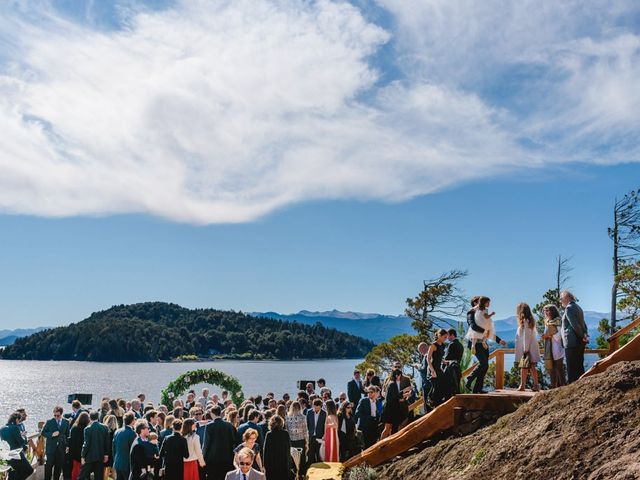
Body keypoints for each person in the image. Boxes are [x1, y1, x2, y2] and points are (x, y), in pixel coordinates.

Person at [465, 296, 506, 393]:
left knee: (485, 366)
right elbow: (473, 326)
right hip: (475, 343)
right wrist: (485, 331)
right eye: (477, 302)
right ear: (475, 303)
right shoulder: (471, 313)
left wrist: (498, 340)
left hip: (483, 343)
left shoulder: (484, 313)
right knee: (483, 363)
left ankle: (477, 389)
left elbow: (489, 329)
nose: (479, 303)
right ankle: (469, 379)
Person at [560, 290, 588, 383]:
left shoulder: (569, 308)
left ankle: (571, 389)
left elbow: (575, 325)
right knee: (579, 366)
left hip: (572, 342)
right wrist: (585, 335)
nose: (560, 301)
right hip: (579, 342)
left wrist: (582, 336)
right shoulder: (578, 307)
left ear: (567, 298)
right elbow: (583, 324)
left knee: (571, 368)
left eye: (561, 298)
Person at [202, 406, 236, 480]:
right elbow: (233, 442)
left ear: (212, 413)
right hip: (227, 459)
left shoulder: (209, 426)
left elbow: (206, 444)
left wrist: (203, 457)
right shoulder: (229, 425)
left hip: (212, 460)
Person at [515, 303, 541, 391]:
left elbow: (527, 335)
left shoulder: (526, 321)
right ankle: (535, 385)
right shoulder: (528, 321)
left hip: (527, 348)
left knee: (524, 367)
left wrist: (526, 350)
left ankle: (523, 386)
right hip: (529, 347)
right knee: (531, 367)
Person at [0, 412, 34, 480]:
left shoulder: (2, 428)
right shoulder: (15, 428)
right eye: (19, 420)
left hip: (7, 456)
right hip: (17, 455)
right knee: (29, 470)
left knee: (12, 474)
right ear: (16, 420)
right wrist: (24, 436)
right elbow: (22, 442)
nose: (19, 422)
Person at [78, 411, 110, 480]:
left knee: (82, 476)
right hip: (100, 456)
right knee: (99, 476)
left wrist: (83, 456)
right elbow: (107, 442)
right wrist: (106, 455)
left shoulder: (87, 429)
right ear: (98, 417)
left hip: (89, 457)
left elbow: (86, 444)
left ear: (89, 418)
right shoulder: (105, 427)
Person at [42, 406, 70, 480]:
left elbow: (68, 435)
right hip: (51, 448)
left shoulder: (66, 422)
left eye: (58, 415)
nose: (56, 417)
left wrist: (67, 446)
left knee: (58, 467)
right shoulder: (49, 421)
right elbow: (43, 433)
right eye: (54, 415)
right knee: (48, 467)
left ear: (61, 414)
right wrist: (51, 434)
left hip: (61, 448)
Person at [541, 304, 566, 388]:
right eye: (545, 311)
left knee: (559, 368)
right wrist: (545, 336)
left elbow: (559, 335)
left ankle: (563, 387)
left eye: (548, 310)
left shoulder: (557, 321)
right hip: (550, 348)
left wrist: (549, 335)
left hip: (557, 348)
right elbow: (547, 333)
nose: (546, 312)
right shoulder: (547, 322)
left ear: (553, 311)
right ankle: (553, 387)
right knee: (551, 369)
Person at [380, 369, 409, 439]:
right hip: (390, 409)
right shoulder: (393, 384)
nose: (400, 377)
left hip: (392, 409)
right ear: (397, 375)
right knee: (387, 428)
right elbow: (396, 396)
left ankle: (389, 442)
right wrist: (405, 393)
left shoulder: (391, 383)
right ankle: (381, 445)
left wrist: (404, 392)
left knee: (390, 428)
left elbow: (396, 395)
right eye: (400, 376)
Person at [262, 415, 290, 480]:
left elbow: (265, 451)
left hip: (271, 464)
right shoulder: (285, 433)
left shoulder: (269, 434)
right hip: (283, 463)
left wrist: (264, 465)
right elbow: (288, 450)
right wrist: (288, 464)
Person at [285, 401, 308, 476]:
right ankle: (302, 473)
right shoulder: (302, 417)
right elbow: (305, 430)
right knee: (301, 457)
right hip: (301, 440)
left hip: (291, 440)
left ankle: (294, 473)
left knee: (293, 456)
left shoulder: (287, 417)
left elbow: (287, 429)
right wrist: (307, 441)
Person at [427, 329, 449, 406]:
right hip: (433, 368)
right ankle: (432, 400)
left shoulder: (443, 345)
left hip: (438, 368)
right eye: (444, 337)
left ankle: (438, 401)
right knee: (436, 386)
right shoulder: (433, 345)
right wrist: (432, 371)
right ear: (439, 336)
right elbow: (428, 358)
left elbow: (438, 357)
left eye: (446, 337)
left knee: (444, 383)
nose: (446, 339)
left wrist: (444, 361)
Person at [113, 412, 137, 480]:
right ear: (132, 421)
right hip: (127, 464)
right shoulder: (132, 433)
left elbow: (113, 448)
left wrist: (115, 460)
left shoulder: (117, 432)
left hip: (118, 462)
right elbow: (133, 451)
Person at [68, 412, 90, 480]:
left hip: (75, 453)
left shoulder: (74, 428)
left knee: (75, 470)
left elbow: (71, 441)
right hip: (85, 453)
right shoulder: (88, 429)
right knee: (85, 472)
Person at [443, 328, 464, 397]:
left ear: (452, 335)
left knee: (450, 389)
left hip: (451, 369)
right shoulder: (461, 345)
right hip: (458, 368)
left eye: (448, 336)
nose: (447, 338)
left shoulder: (451, 344)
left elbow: (447, 358)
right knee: (457, 388)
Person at [305, 398, 326, 466]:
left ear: (320, 406)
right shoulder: (309, 412)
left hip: (320, 437)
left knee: (319, 455)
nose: (315, 409)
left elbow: (324, 426)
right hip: (311, 437)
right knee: (310, 455)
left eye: (317, 407)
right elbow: (307, 424)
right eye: (314, 407)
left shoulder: (324, 413)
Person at [414, 342, 430, 408]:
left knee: (427, 404)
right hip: (429, 383)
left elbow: (424, 369)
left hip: (427, 384)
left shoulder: (426, 356)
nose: (420, 352)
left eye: (420, 350)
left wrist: (418, 367)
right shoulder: (429, 355)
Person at [103, 414, 119, 480]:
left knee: (105, 470)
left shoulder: (105, 430)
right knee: (114, 470)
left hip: (106, 452)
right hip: (114, 453)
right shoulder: (117, 432)